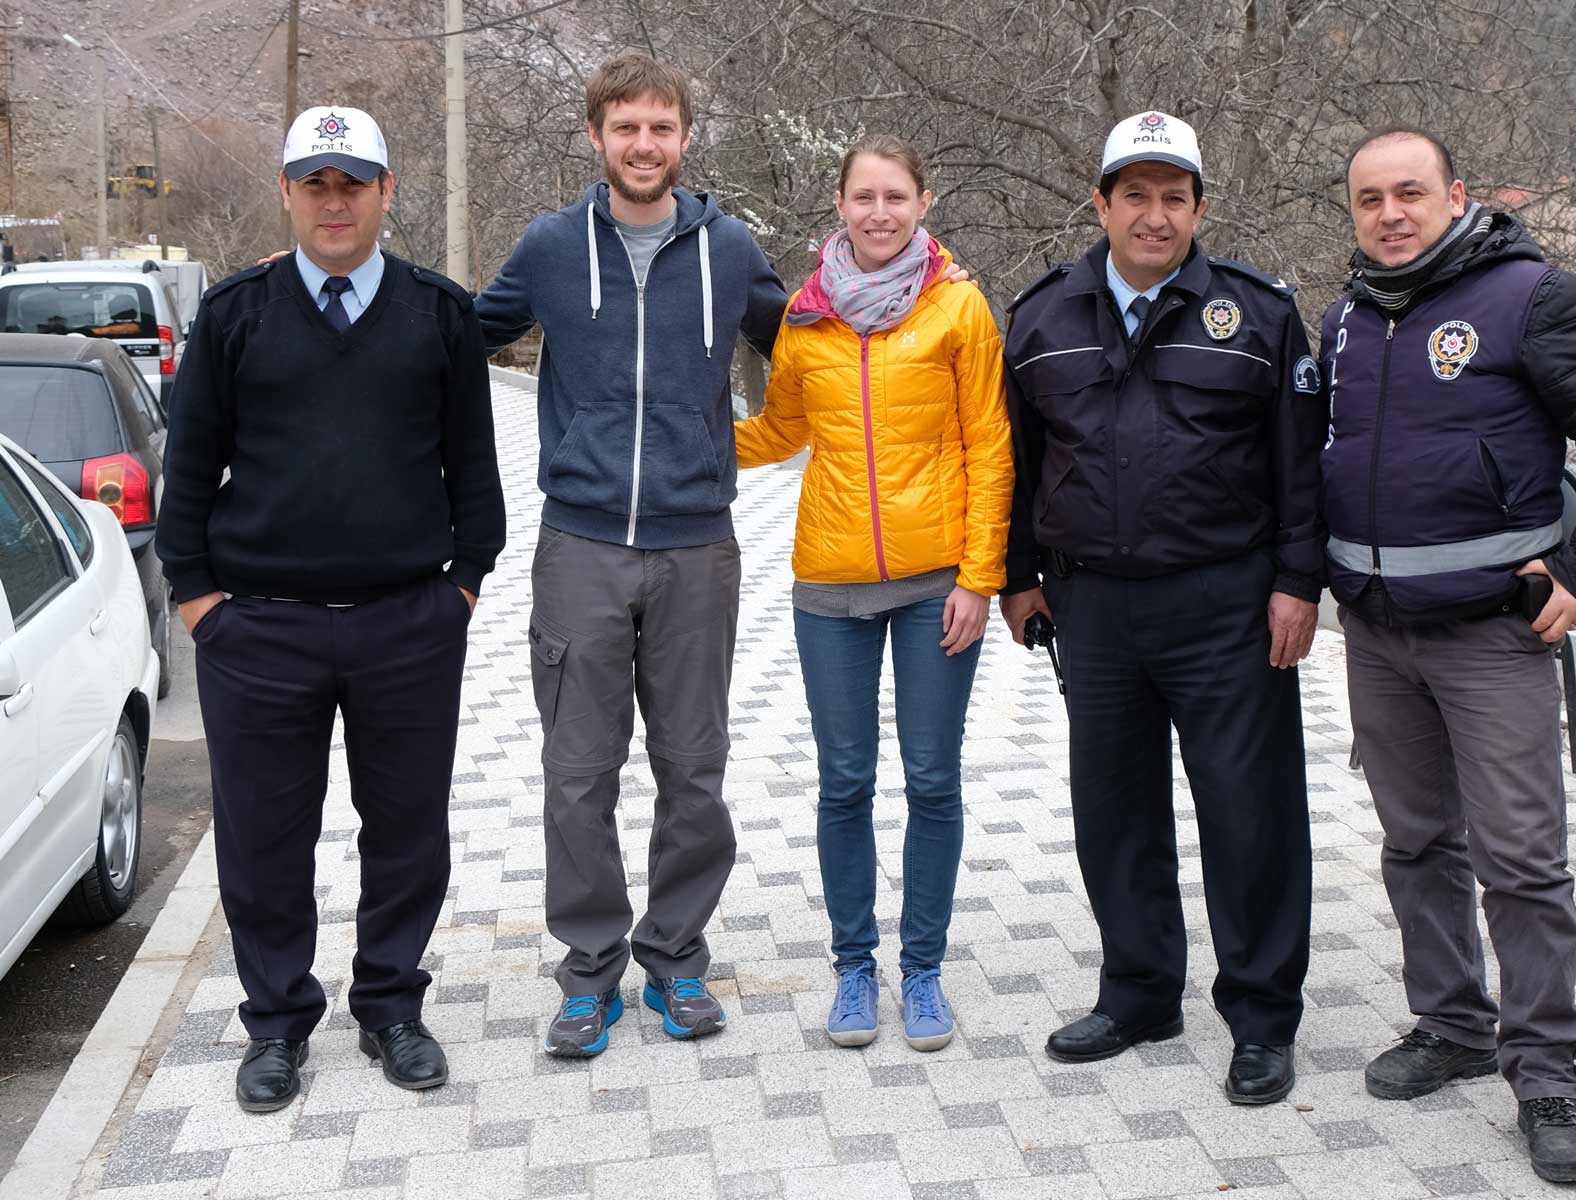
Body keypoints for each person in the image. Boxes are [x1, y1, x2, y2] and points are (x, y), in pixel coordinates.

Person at [1320, 127, 1576, 1184]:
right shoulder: (1341, 320)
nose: (1390, 213)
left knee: (1519, 860)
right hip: (1377, 632)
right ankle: (1453, 1024)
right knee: (1418, 842)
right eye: (1370, 198)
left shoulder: (1529, 298)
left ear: (1455, 195)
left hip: (1493, 635)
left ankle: (1547, 1071)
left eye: (1410, 192)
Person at [155, 105, 505, 1112]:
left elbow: (476, 474)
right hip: (257, 627)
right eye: (316, 182)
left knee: (406, 831)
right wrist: (200, 603)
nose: (335, 200)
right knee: (266, 837)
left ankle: (392, 1005)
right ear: (287, 191)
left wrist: (460, 589)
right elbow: (187, 475)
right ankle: (276, 1025)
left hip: (408, 622)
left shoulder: (439, 315)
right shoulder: (234, 316)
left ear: (386, 192)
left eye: (354, 182)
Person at [1000, 111, 1324, 1104]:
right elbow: (1016, 458)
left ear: (1199, 209)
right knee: (1114, 812)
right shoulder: (1042, 314)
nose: (1153, 214)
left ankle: (1262, 1017)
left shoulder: (1259, 316)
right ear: (1100, 205)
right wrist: (1018, 576)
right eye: (1133, 195)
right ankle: (1140, 990)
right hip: (1093, 609)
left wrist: (1297, 583)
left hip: (1225, 604)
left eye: (1172, 196)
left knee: (1250, 816)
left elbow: (1300, 469)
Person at [476, 55, 791, 1056]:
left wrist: (917, 290)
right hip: (580, 547)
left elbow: (816, 344)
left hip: (698, 546)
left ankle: (677, 961)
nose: (644, 145)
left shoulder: (732, 250)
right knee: (577, 775)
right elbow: (454, 335)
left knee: (693, 771)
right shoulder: (551, 248)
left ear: (684, 137)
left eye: (661, 127)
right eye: (626, 128)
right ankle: (589, 974)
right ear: (597, 137)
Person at [733, 136, 1012, 1052]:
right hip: (830, 586)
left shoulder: (958, 308)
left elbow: (990, 447)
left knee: (933, 780)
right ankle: (855, 968)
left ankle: (923, 972)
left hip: (938, 585)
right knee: (844, 781)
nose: (880, 211)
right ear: (841, 203)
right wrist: (676, 438)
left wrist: (979, 577)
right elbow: (778, 430)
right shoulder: (806, 318)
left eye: (896, 195)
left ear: (924, 201)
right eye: (864, 196)